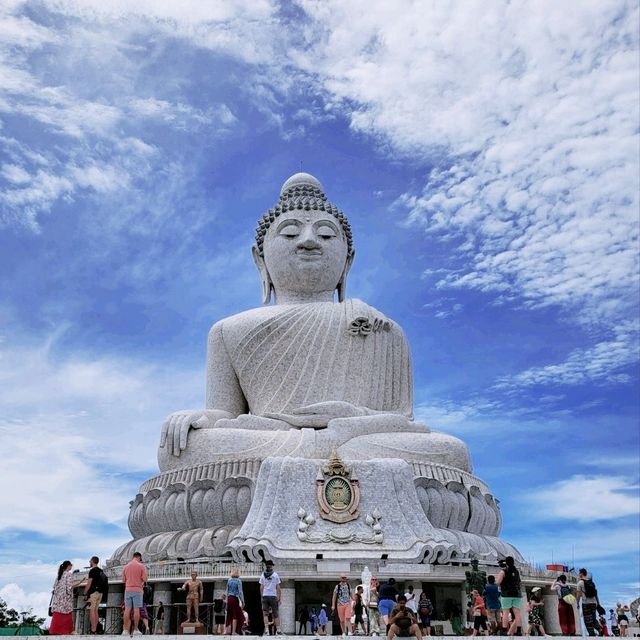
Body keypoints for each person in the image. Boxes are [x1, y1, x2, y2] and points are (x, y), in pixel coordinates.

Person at [121, 552, 147, 636]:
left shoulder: (126, 566)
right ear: (139, 557)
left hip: (128, 589)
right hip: (138, 590)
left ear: (133, 557)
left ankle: (125, 630)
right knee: (136, 610)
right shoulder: (141, 566)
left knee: (127, 609)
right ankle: (135, 629)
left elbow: (123, 580)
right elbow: (145, 579)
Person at [496, 556, 522, 636]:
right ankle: (518, 630)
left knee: (505, 612)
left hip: (506, 594)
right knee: (517, 613)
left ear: (506, 563)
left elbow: (498, 582)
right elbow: (519, 582)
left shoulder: (503, 571)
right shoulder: (517, 571)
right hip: (517, 594)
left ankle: (504, 630)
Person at [50, 560, 75, 635]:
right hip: (65, 598)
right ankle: (67, 630)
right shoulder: (69, 574)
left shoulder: (59, 575)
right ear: (68, 566)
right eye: (71, 565)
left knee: (58, 613)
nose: (71, 566)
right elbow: (69, 587)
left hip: (58, 598)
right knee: (67, 613)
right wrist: (76, 585)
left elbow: (54, 587)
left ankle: (55, 630)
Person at [83, 556, 106, 634]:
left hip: (93, 593)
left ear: (92, 561)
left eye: (90, 561)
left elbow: (89, 583)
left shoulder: (92, 571)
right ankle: (95, 629)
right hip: (100, 593)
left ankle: (93, 629)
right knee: (96, 610)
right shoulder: (101, 571)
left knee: (92, 611)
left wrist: (84, 592)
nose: (89, 563)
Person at [259, 560, 282, 635]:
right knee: (276, 614)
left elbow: (261, 587)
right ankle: (278, 630)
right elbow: (278, 587)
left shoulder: (262, 575)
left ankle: (266, 631)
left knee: (265, 614)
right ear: (271, 566)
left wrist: (262, 596)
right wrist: (279, 598)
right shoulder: (275, 575)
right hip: (273, 596)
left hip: (265, 596)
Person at [576, 568, 600, 636]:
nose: (578, 574)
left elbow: (578, 594)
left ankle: (591, 634)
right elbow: (596, 594)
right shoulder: (591, 582)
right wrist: (598, 603)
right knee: (593, 618)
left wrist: (577, 603)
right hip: (593, 603)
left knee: (587, 620)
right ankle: (599, 628)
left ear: (581, 573)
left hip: (586, 603)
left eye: (579, 573)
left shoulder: (580, 583)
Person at [226, 567, 245, 635]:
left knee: (229, 614)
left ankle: (227, 631)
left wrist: (226, 601)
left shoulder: (229, 580)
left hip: (229, 598)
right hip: (235, 598)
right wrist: (243, 601)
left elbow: (227, 591)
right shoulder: (238, 581)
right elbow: (240, 592)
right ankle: (233, 631)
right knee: (235, 615)